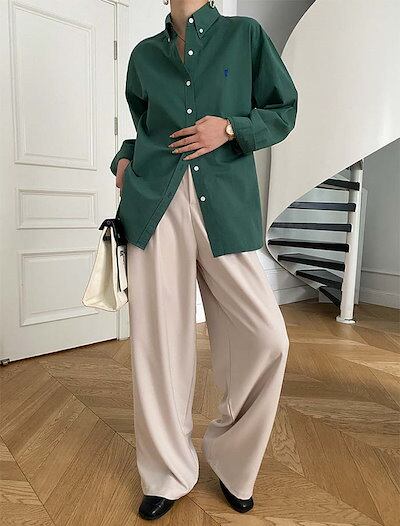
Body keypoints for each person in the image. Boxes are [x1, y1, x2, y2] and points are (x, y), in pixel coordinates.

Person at [110, 0, 298, 520]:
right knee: (158, 343)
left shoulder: (244, 35)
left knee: (267, 339)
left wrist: (231, 128)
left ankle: (234, 459)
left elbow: (283, 109)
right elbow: (147, 131)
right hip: (154, 205)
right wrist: (123, 157)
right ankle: (167, 473)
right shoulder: (145, 55)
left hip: (224, 205)